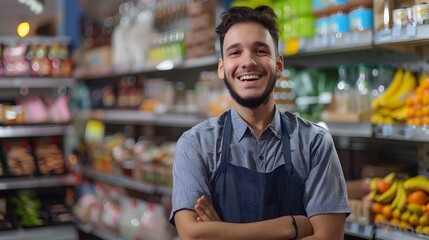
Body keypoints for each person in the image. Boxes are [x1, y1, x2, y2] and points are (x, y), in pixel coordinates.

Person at [169, 5, 350, 240]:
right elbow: (193, 235)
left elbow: (329, 238)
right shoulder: (195, 144)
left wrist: (222, 233)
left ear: (279, 64)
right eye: (235, 53)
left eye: (261, 50)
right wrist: (291, 226)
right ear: (222, 68)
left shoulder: (314, 142)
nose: (248, 61)